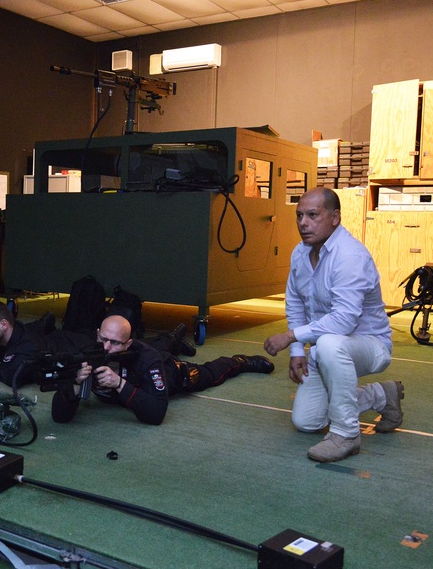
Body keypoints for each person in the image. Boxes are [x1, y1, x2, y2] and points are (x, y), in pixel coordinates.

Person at [263, 187, 403, 463]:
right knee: (307, 421)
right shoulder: (300, 254)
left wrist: (291, 337)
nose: (303, 223)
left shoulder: (350, 256)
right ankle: (381, 395)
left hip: (369, 346)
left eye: (313, 215)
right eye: (299, 215)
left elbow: (343, 320)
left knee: (328, 342)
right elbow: (295, 303)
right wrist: (298, 352)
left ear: (335, 217)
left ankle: (346, 434)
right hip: (323, 349)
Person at [51, 315, 274, 425]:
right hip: (143, 356)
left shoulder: (147, 360)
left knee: (205, 374)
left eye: (115, 343)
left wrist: (119, 383)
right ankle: (175, 337)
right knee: (161, 343)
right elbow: (59, 417)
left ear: (127, 344)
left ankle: (241, 361)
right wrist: (74, 384)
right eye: (103, 339)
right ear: (97, 333)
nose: (106, 348)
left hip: (172, 373)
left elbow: (156, 415)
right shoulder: (86, 353)